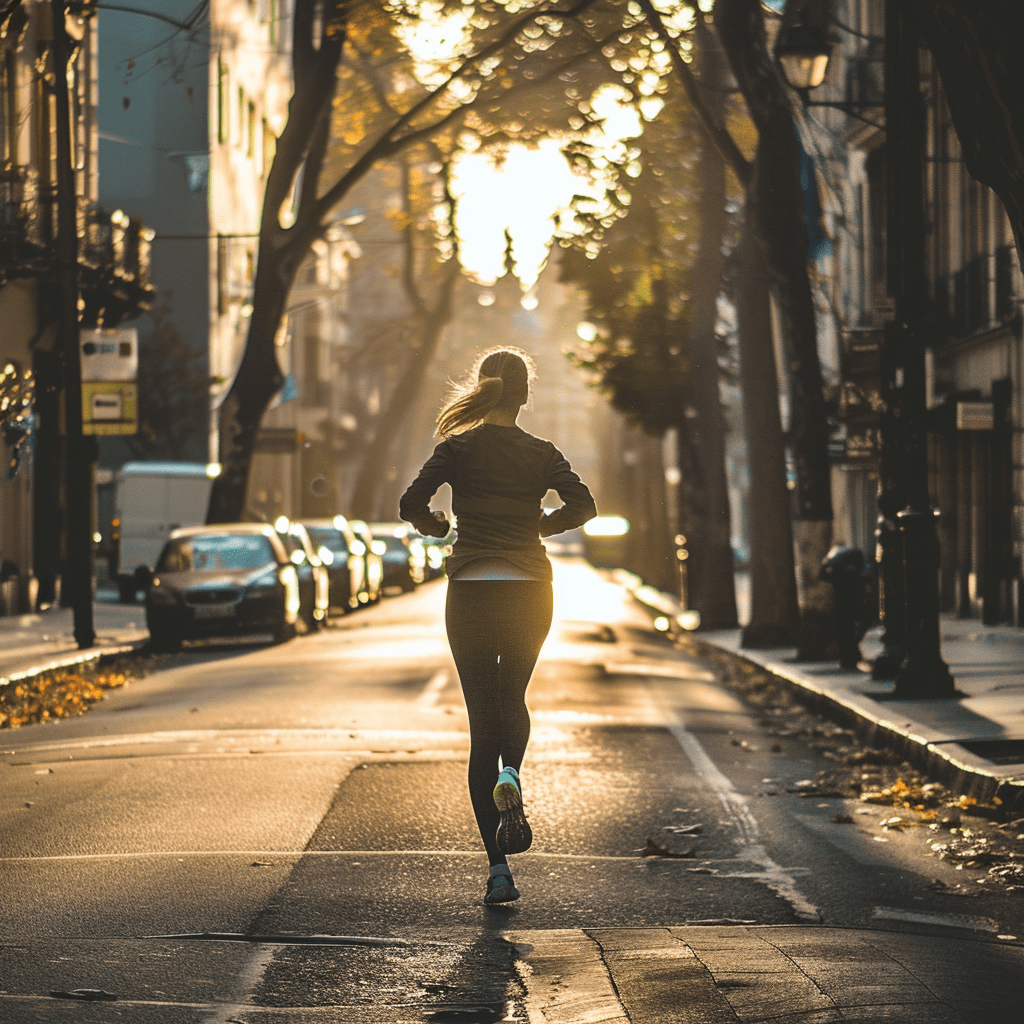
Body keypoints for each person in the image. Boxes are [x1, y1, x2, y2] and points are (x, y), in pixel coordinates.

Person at [400, 347, 597, 905]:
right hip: (530, 588)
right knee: (514, 698)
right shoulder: (542, 453)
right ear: (525, 395)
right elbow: (584, 506)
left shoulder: (457, 449)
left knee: (481, 719)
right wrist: (541, 524)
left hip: (470, 591)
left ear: (483, 388)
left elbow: (411, 502)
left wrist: (437, 527)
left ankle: (497, 871)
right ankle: (512, 771)